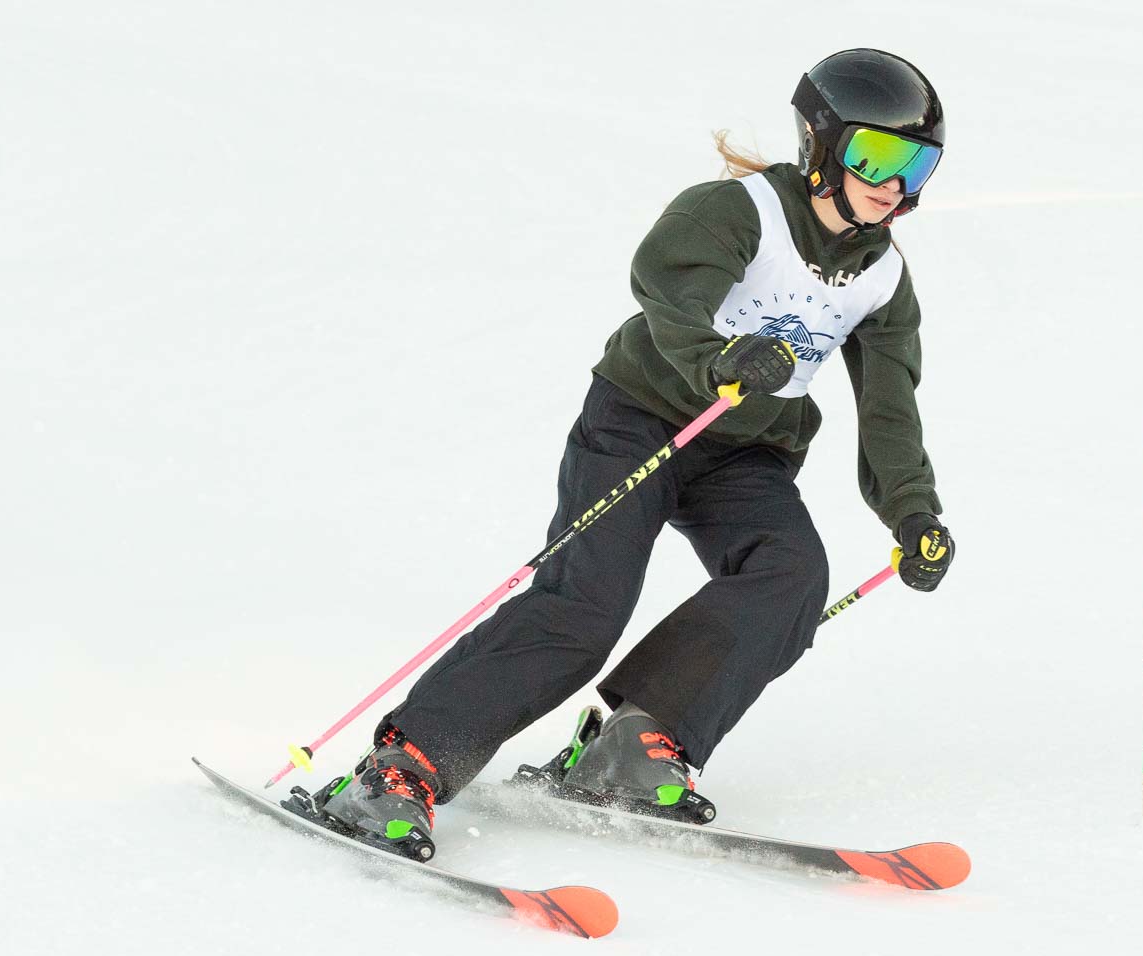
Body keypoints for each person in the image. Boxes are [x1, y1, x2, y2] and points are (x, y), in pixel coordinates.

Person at [318, 48, 958, 851]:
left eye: (916, 164)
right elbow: (668, 287)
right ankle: (404, 765)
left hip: (745, 457)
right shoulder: (739, 211)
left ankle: (636, 741)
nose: (894, 183)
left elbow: (890, 408)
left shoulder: (882, 276)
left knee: (790, 575)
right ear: (821, 144)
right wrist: (719, 360)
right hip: (642, 421)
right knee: (585, 607)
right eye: (877, 155)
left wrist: (912, 511)